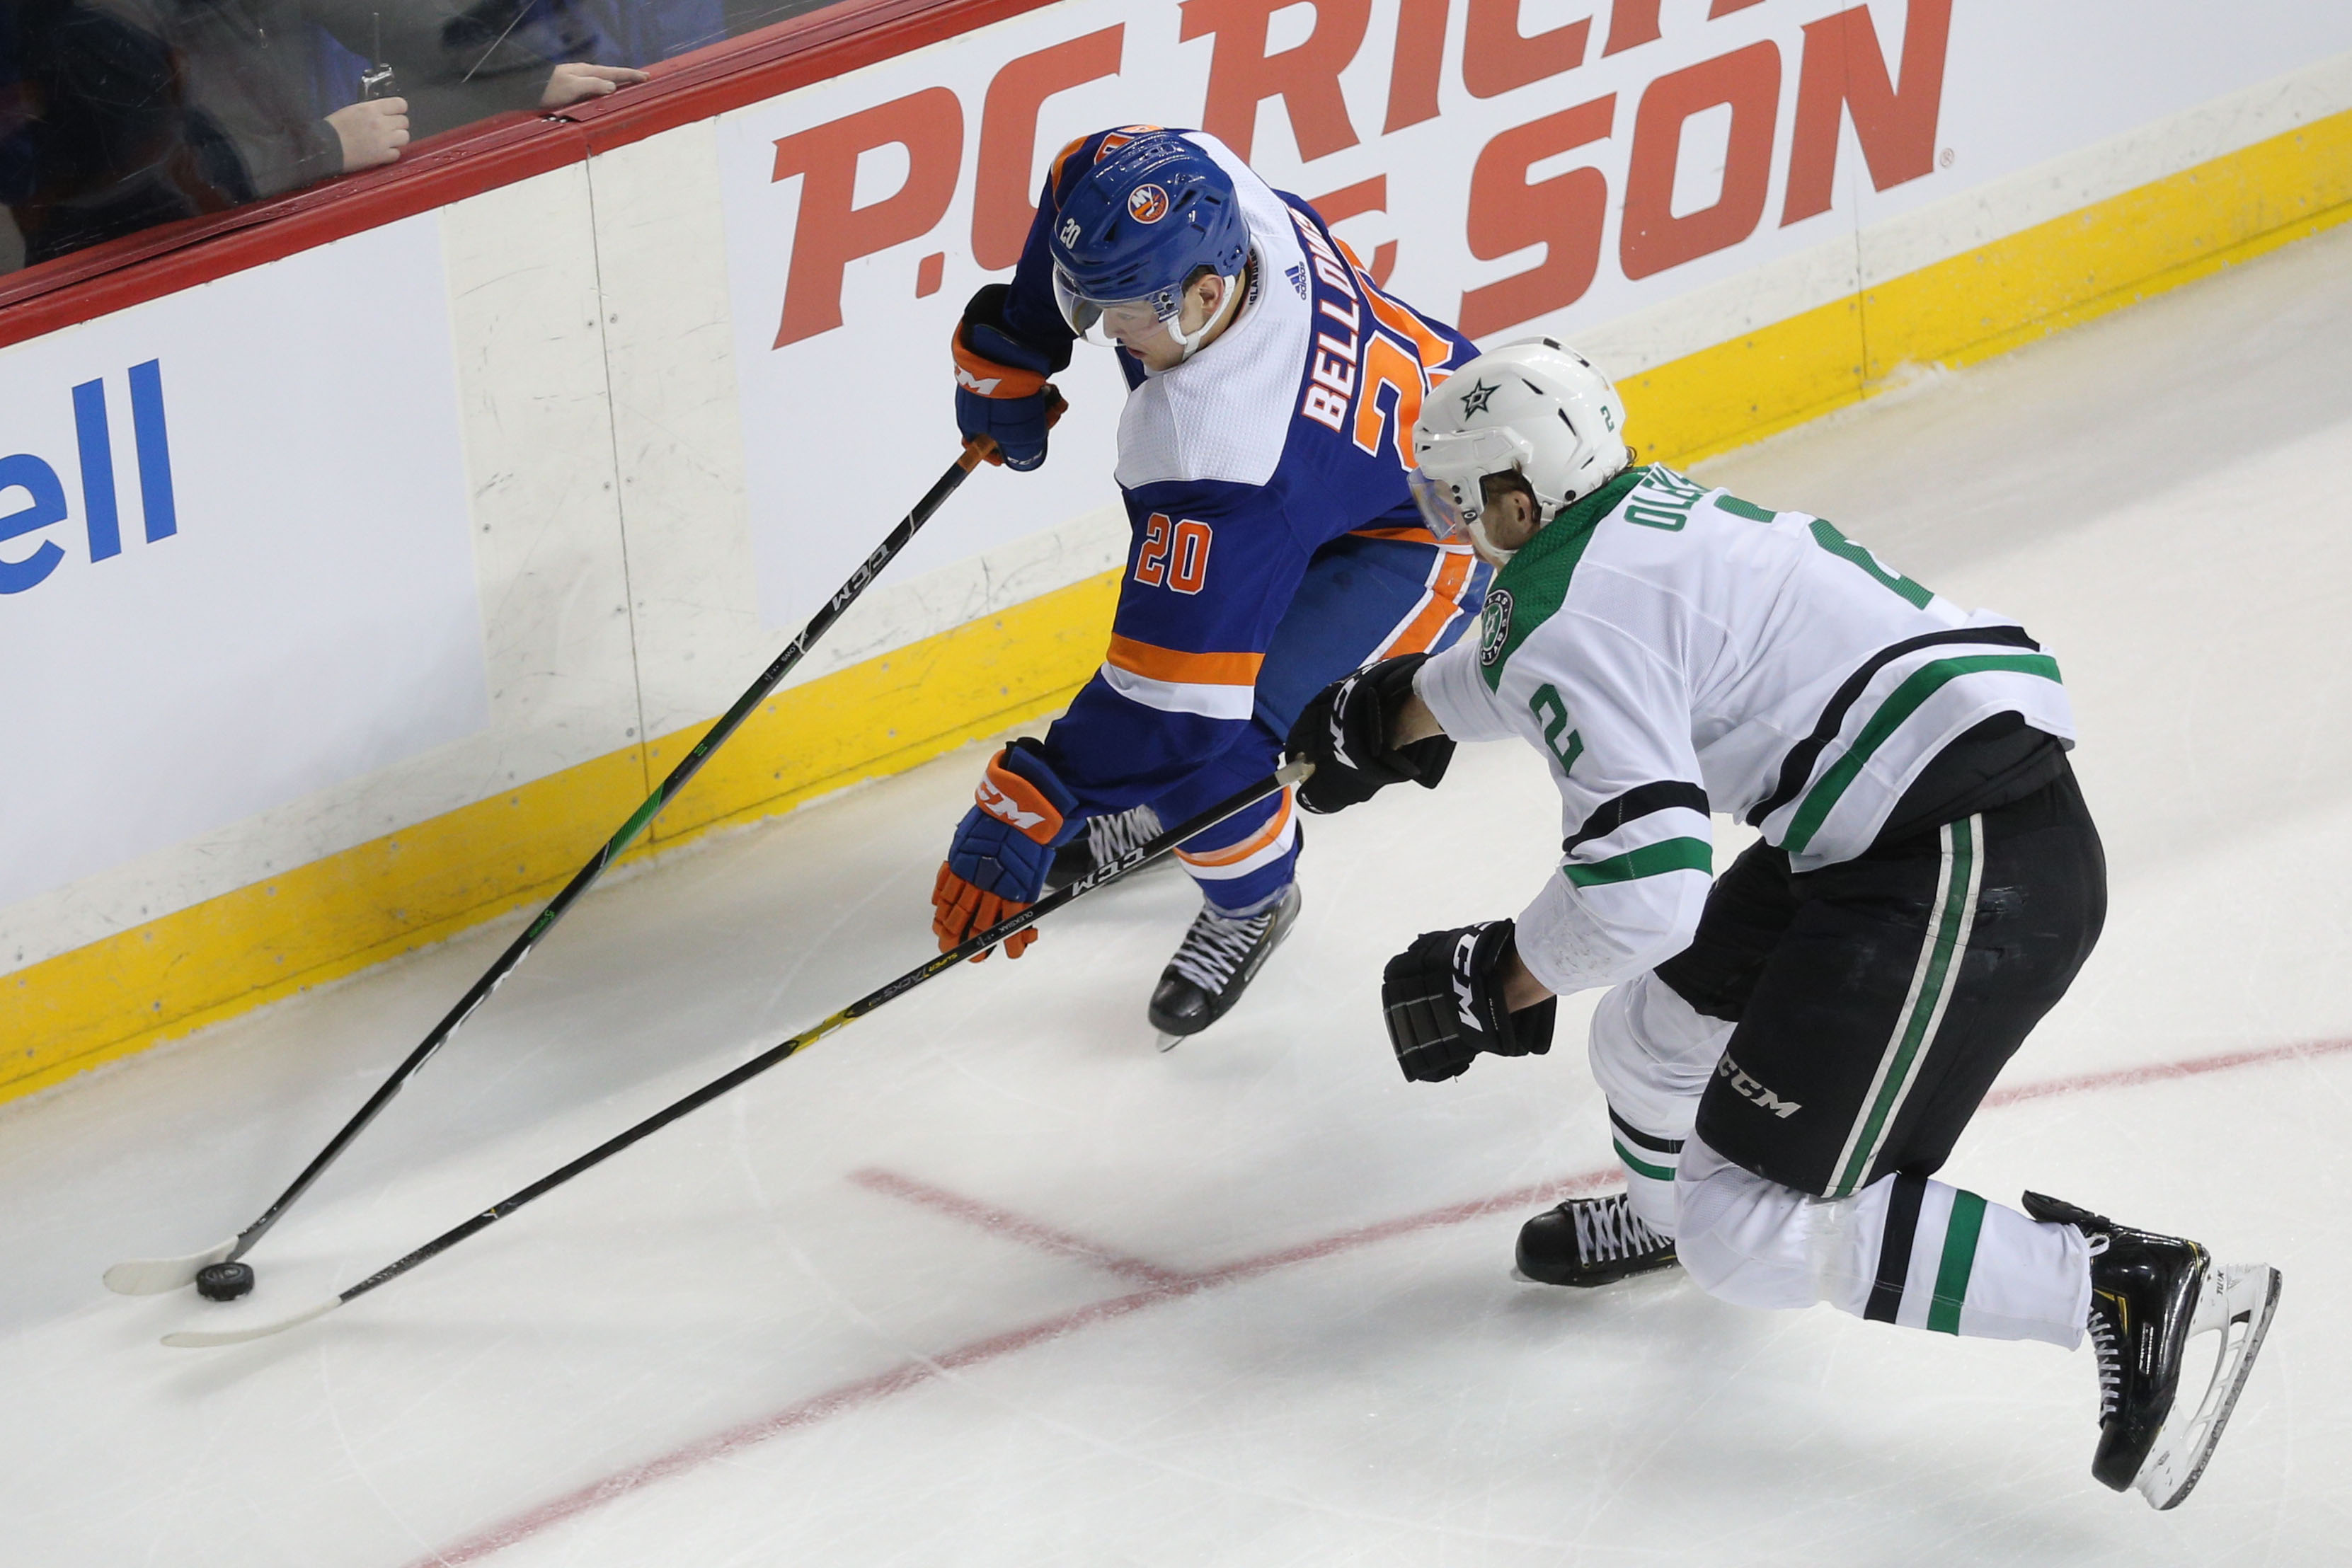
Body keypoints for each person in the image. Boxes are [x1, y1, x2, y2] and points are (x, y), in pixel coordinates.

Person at [1285, 338, 2280, 1509]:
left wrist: (1495, 980)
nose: (1450, 523)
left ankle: (2117, 1288)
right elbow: (1548, 653)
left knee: (1745, 1231)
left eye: (1458, 499)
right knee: (1647, 1043)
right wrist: (1387, 715)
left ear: (1516, 492)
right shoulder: (1628, 519)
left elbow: (1647, 888)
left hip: (1962, 865)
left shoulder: (1564, 611)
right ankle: (1661, 1223)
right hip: (1895, 822)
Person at [931, 124, 1489, 1045]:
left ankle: (1253, 899)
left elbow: (1176, 711)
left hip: (1422, 529)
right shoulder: (1213, 186)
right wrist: (1027, 335)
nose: (1109, 330)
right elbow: (1088, 166)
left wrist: (1044, 793)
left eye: (1127, 312)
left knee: (1223, 759)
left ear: (1204, 294)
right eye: (1094, 306)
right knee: (1184, 723)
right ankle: (1152, 817)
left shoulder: (1213, 449)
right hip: (1353, 464)